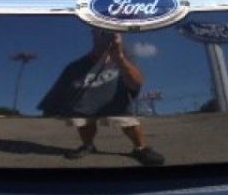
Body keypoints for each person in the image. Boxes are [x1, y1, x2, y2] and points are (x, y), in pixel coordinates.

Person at [38, 29, 164, 166]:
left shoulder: (125, 58)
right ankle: (88, 145)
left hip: (116, 103)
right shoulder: (75, 66)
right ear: (93, 34)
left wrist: (120, 59)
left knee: (128, 122)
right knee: (82, 121)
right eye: (102, 32)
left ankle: (141, 148)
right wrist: (52, 108)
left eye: (113, 32)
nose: (109, 35)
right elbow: (60, 89)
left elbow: (137, 83)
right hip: (85, 104)